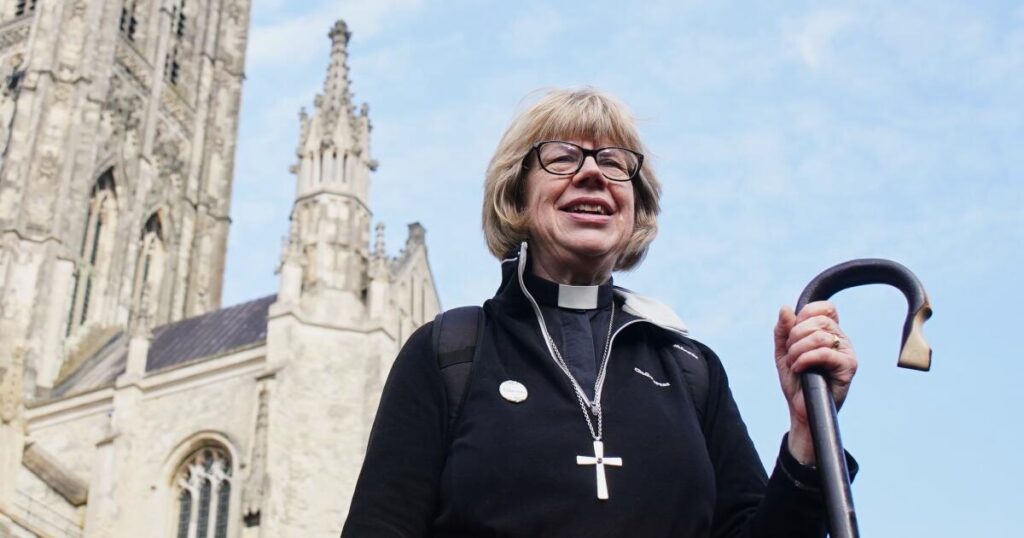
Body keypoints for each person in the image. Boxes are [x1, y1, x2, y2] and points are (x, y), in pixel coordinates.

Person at [341, 87, 859, 537]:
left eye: (614, 163)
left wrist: (808, 440)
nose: (592, 173)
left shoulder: (691, 370)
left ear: (636, 206)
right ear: (517, 195)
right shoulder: (448, 352)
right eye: (562, 157)